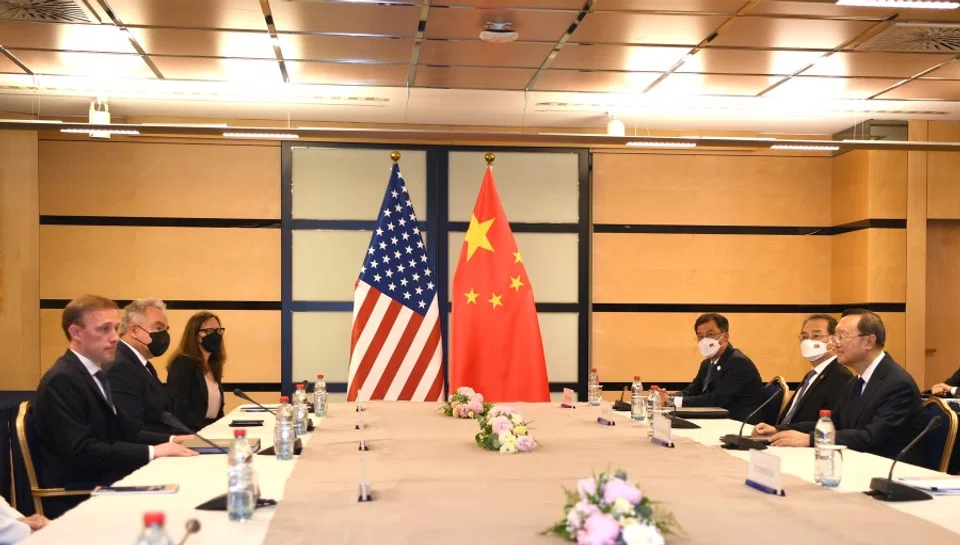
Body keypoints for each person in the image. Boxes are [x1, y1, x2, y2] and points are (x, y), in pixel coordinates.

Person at [32, 295, 197, 518]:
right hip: (80, 493)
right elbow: (82, 451)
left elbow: (121, 431)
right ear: (76, 333)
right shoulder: (62, 380)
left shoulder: (94, 374)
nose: (115, 338)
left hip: (104, 479)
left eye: (116, 328)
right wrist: (153, 451)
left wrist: (168, 443)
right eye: (104, 329)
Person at [764, 309, 924, 462]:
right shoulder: (855, 382)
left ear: (869, 341)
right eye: (834, 337)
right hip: (857, 461)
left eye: (842, 337)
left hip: (888, 472)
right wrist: (780, 430)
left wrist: (811, 439)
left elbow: (872, 438)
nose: (835, 344)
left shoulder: (897, 385)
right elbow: (834, 423)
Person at [753, 313, 853, 433]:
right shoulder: (812, 374)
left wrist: (779, 430)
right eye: (804, 337)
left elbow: (832, 424)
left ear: (834, 340)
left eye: (816, 335)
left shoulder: (840, 376)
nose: (808, 341)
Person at [665, 313, 765, 423]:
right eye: (700, 337)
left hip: (740, 424)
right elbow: (692, 390)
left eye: (710, 335)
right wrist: (667, 397)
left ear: (725, 337)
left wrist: (673, 401)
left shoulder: (738, 362)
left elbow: (716, 400)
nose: (704, 341)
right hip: (718, 419)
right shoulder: (707, 363)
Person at [104, 298, 173, 434]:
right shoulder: (120, 367)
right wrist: (173, 440)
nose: (164, 335)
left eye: (166, 329)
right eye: (158, 328)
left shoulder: (142, 364)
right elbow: (131, 428)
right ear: (134, 330)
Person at [166, 311, 226, 431]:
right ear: (195, 335)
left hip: (211, 431)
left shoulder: (213, 365)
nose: (215, 335)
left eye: (218, 330)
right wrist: (206, 430)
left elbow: (216, 409)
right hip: (190, 433)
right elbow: (179, 409)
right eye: (209, 331)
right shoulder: (182, 364)